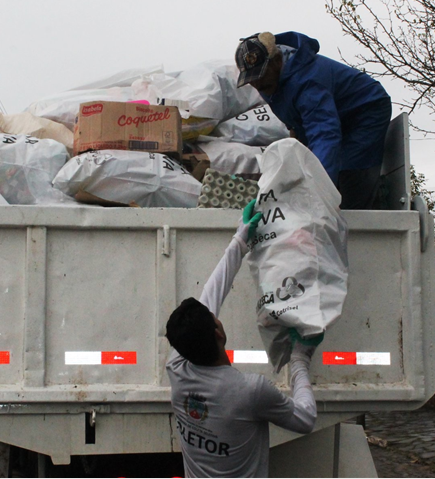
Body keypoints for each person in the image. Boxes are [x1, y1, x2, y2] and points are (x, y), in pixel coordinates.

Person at [165, 200, 321, 477]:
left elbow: (210, 298)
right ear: (218, 332)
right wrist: (299, 361)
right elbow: (305, 419)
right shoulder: (249, 392)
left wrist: (240, 240)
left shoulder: (178, 367)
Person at [235, 31, 392, 210]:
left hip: (365, 110)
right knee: (312, 168)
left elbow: (324, 134)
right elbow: (294, 119)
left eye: (261, 75)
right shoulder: (269, 81)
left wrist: (319, 193)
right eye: (252, 79)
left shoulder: (308, 82)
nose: (257, 84)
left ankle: (358, 219)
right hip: (333, 112)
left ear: (277, 61)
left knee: (350, 171)